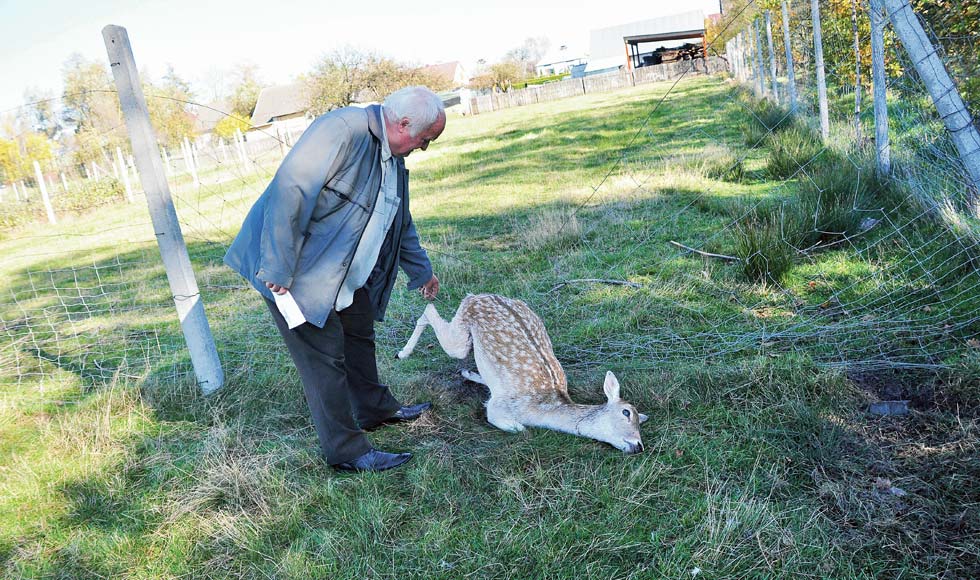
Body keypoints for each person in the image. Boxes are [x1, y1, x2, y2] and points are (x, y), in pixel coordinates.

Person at [224, 86, 446, 472]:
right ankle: (347, 451)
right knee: (324, 358)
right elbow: (291, 188)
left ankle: (374, 408)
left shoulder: (391, 157)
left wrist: (421, 269)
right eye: (425, 139)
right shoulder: (342, 130)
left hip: (342, 270)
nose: (423, 148)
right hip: (297, 271)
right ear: (404, 123)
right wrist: (277, 264)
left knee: (359, 333)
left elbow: (398, 219)